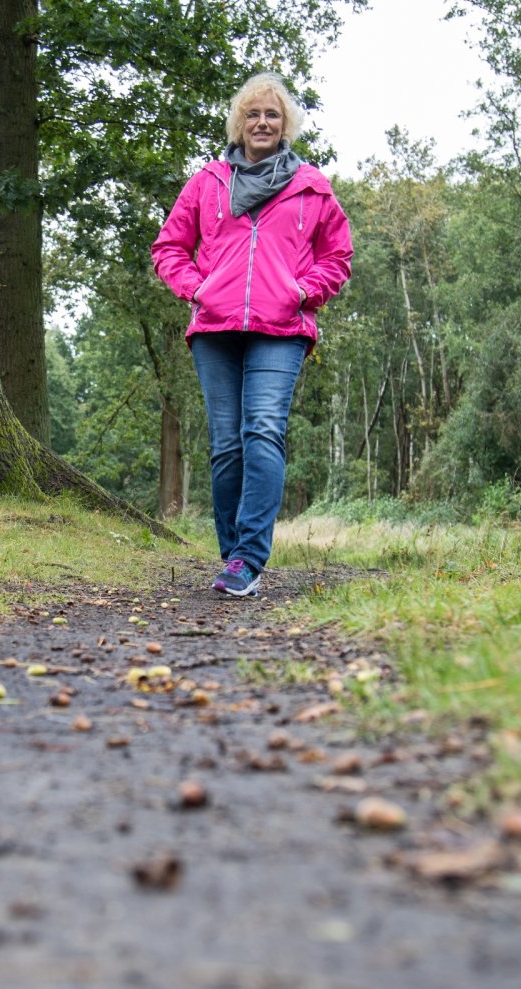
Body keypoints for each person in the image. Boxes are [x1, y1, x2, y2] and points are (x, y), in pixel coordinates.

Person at [152, 72, 354, 597]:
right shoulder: (208, 183)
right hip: (215, 327)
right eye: (252, 114)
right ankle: (232, 554)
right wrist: (197, 288)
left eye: (271, 115)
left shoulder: (311, 187)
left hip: (282, 327)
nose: (261, 122)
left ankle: (248, 559)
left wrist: (301, 292)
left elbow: (338, 257)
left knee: (261, 429)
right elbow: (168, 248)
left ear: (286, 126)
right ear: (238, 124)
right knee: (225, 447)